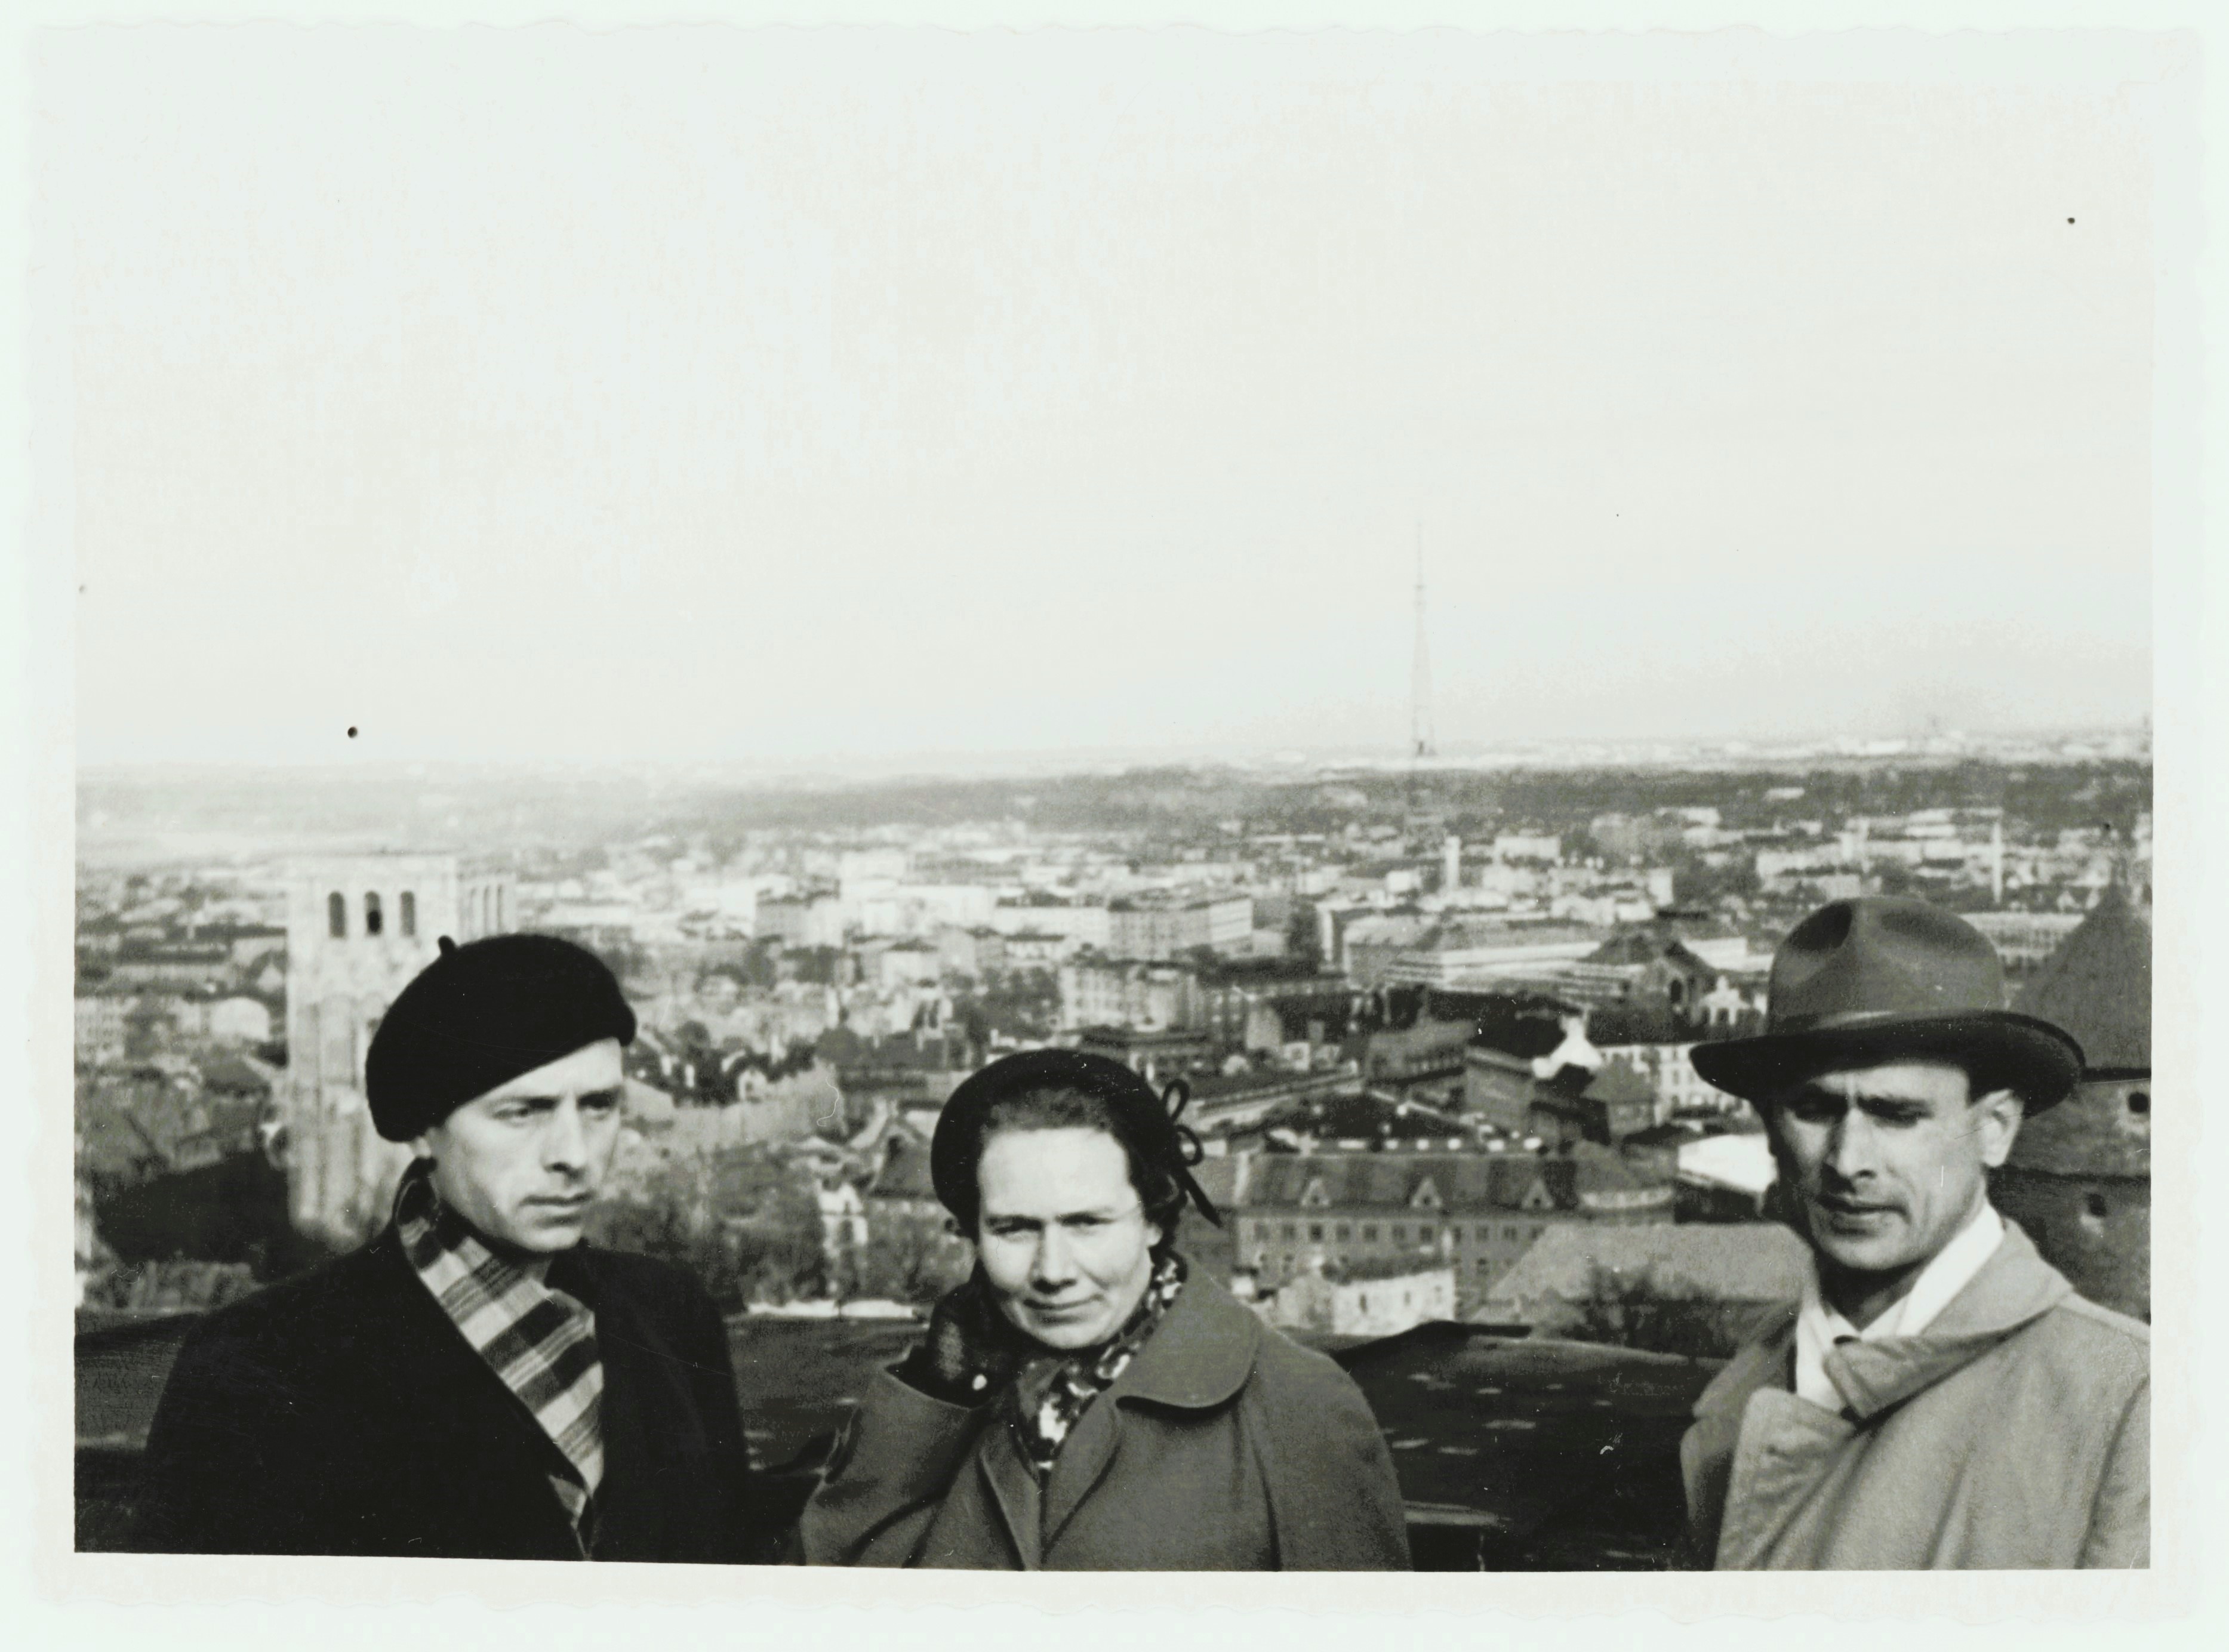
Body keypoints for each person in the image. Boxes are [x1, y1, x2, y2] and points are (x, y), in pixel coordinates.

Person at [130, 933, 765, 1561]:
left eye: (599, 1105)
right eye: (523, 1112)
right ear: (424, 1131)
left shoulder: (671, 1313)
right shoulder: (257, 1366)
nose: (573, 1154)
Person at [796, 1049, 1412, 1570]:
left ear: (1152, 1216)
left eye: (1087, 1222)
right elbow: (833, 1606)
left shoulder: (1297, 1404)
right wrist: (933, 1395)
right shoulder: (957, 1401)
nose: (1054, 1269)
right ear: (972, 1235)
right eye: (1013, 1228)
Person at [1683, 896, 2148, 1570]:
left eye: (1895, 1113)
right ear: (1769, 1125)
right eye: (1813, 1109)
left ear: (1995, 1129)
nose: (1848, 1160)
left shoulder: (2129, 1405)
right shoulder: (1742, 1387)